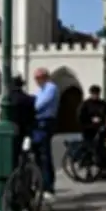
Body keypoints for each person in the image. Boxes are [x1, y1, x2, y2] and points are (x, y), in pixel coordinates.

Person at [32, 67, 60, 201]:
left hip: (46, 122)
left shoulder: (51, 88)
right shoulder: (40, 90)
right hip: (39, 122)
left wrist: (31, 109)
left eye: (38, 78)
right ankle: (40, 183)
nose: (36, 81)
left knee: (44, 154)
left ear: (44, 77)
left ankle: (49, 186)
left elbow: (40, 105)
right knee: (38, 154)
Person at [77, 85, 106, 172]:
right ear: (91, 93)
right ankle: (88, 169)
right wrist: (89, 123)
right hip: (89, 129)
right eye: (94, 93)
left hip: (101, 129)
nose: (95, 95)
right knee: (90, 148)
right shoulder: (86, 104)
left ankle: (104, 169)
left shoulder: (102, 104)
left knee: (103, 148)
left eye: (97, 93)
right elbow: (80, 117)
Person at [9, 75, 36, 169]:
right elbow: (33, 115)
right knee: (25, 152)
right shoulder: (29, 98)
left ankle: (14, 175)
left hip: (14, 130)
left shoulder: (10, 98)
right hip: (27, 130)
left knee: (13, 156)